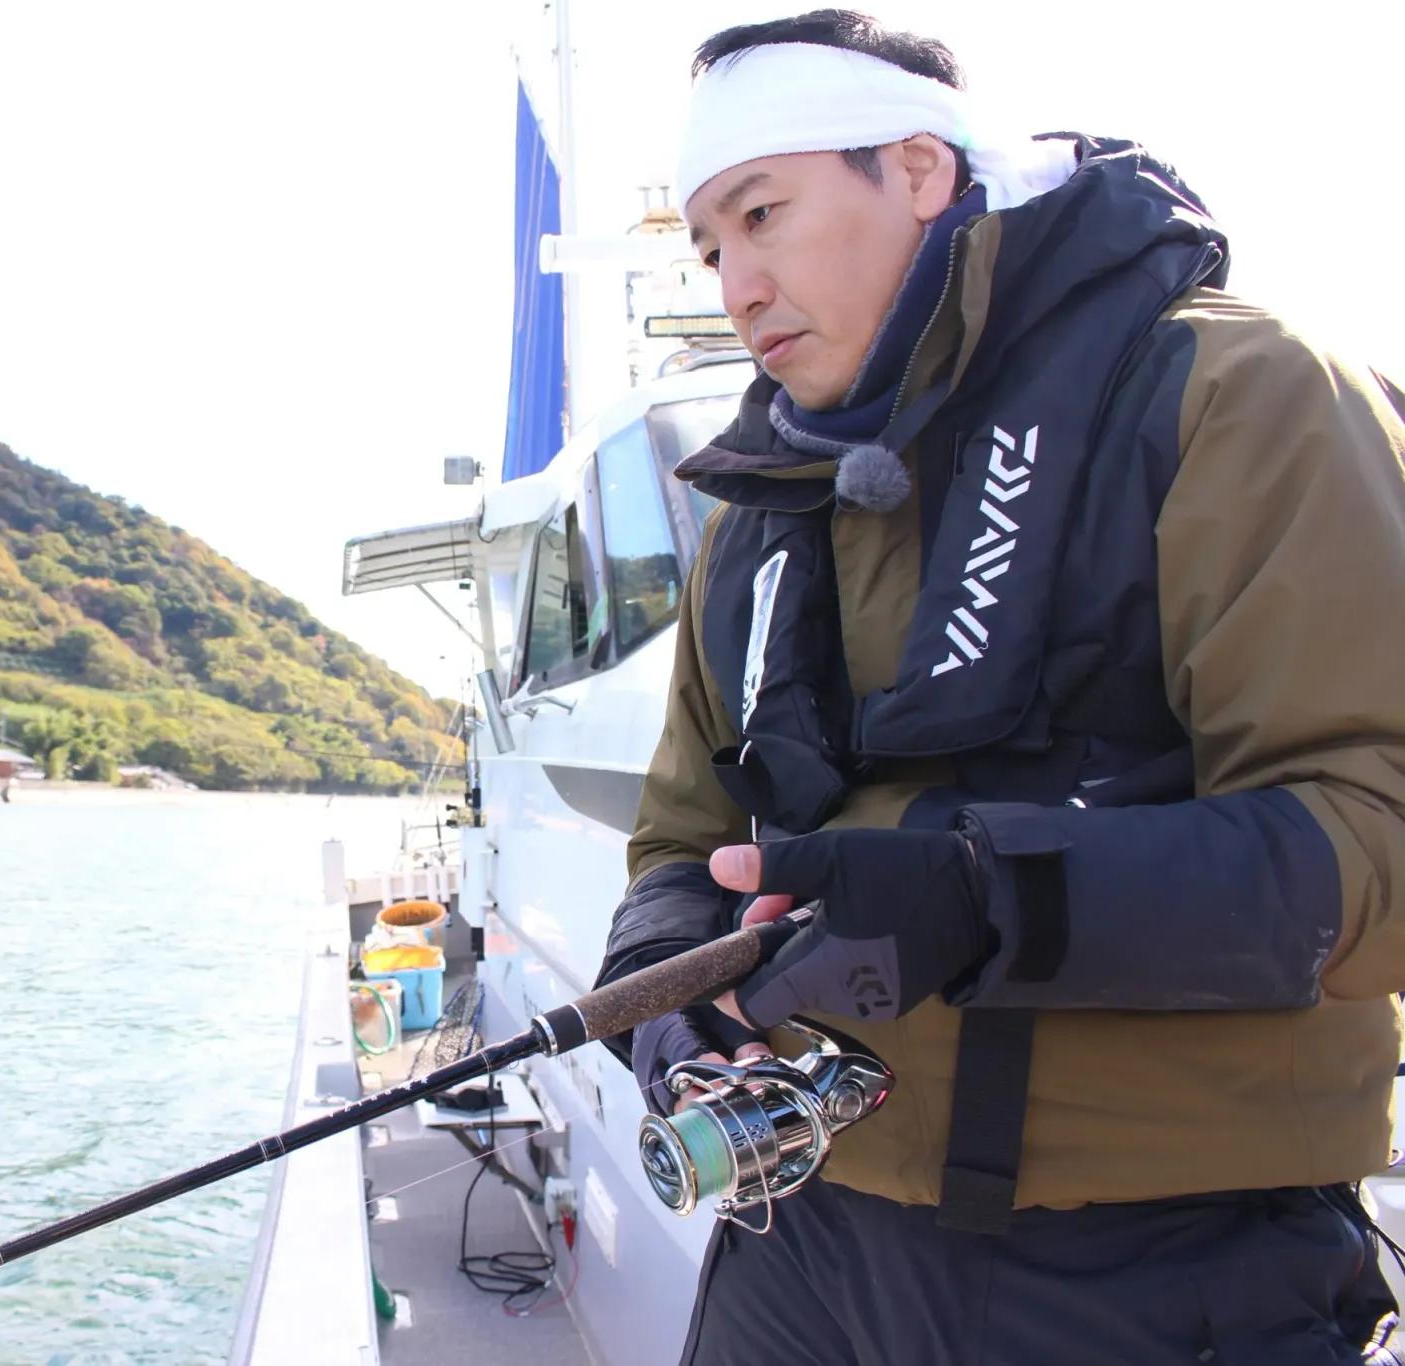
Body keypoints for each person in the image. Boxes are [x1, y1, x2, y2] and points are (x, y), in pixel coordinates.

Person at [591, 10, 1405, 1363]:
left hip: (1151, 1267)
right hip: (797, 1246)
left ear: (918, 168)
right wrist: (663, 1004)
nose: (737, 282)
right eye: (711, 244)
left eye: (765, 212)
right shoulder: (750, 517)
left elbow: (1381, 835)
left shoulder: (1242, 396)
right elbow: (683, 845)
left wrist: (990, 897)